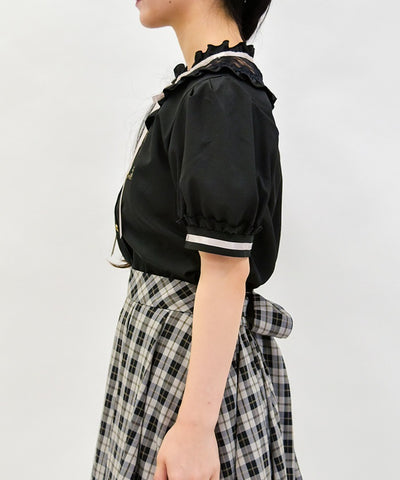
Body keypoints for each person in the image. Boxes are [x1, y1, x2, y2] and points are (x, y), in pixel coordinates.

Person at [90, 1, 303, 479]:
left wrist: (194, 427)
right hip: (166, 346)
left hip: (187, 357)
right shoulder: (206, 87)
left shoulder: (221, 95)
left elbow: (226, 270)